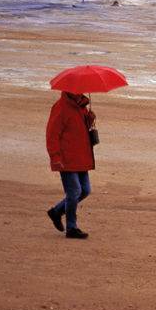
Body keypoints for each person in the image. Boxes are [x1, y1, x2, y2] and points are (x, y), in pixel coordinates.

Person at [46, 91, 97, 239]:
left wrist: (90, 119)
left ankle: (57, 211)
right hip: (67, 158)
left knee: (85, 190)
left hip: (80, 156)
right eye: (76, 91)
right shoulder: (61, 107)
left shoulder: (81, 106)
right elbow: (52, 134)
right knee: (74, 191)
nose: (78, 93)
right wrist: (55, 156)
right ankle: (72, 228)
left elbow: (81, 129)